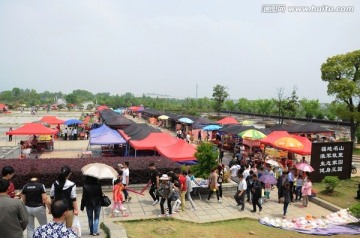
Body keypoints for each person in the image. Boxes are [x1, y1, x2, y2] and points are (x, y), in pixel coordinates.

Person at [21, 168, 50, 238]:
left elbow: (23, 199)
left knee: (30, 228)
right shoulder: (41, 185)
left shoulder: (25, 186)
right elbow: (45, 198)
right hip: (39, 208)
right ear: (38, 176)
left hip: (28, 208)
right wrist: (50, 208)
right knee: (43, 226)